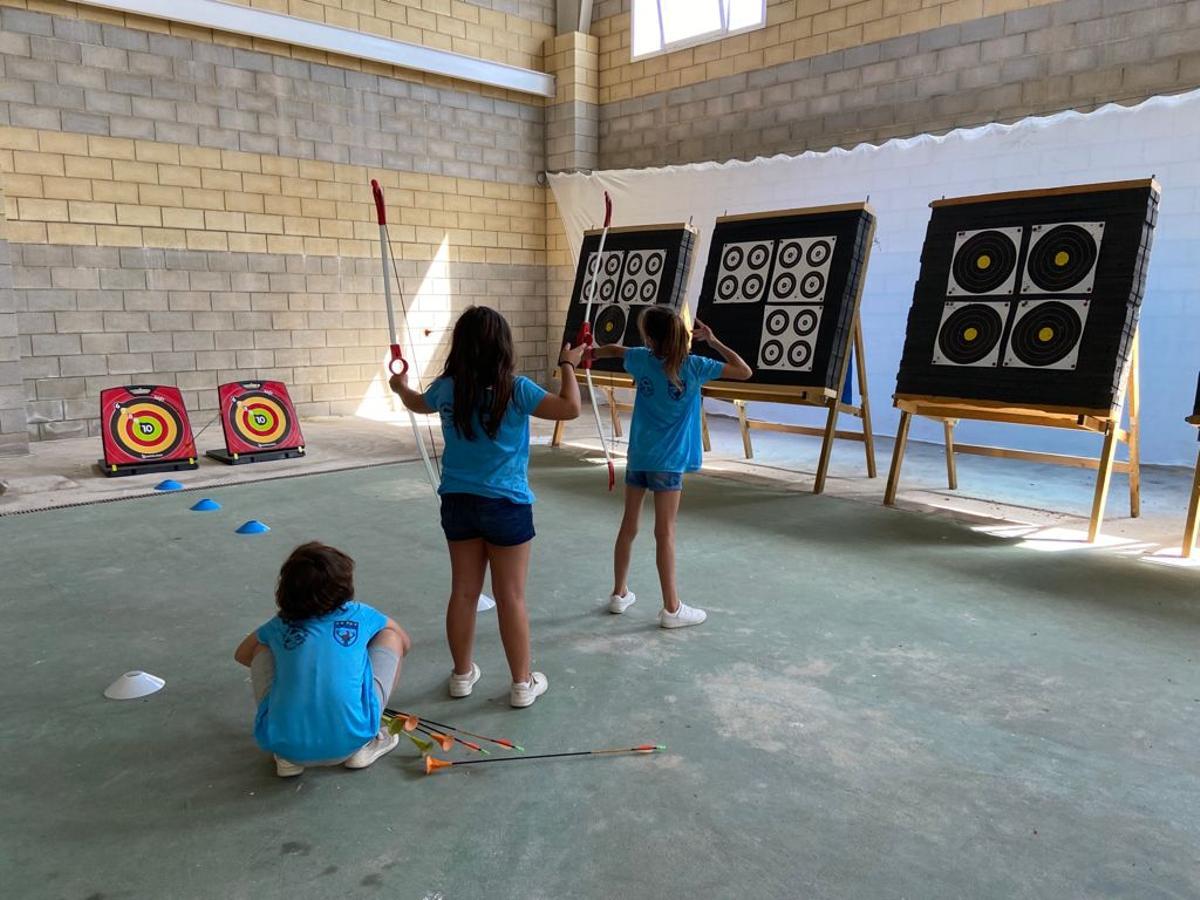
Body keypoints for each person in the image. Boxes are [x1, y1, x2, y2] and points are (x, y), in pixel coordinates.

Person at [390, 305, 583, 708]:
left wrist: (400, 385)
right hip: (507, 505)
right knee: (510, 596)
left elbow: (416, 403)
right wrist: (568, 364)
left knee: (463, 592)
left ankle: (462, 675)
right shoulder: (517, 388)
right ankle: (521, 684)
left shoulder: (448, 387)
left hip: (458, 502)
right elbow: (571, 408)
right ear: (503, 346)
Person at [592, 308, 752, 627]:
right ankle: (672, 608)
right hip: (668, 463)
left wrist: (585, 353)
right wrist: (714, 341)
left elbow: (611, 350)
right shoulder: (695, 366)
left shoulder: (640, 358)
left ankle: (618, 593)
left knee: (629, 524)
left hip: (640, 457)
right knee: (664, 533)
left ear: (650, 338)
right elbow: (743, 371)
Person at [234, 542, 411, 777]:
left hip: (284, 743)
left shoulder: (280, 625)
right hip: (352, 738)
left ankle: (287, 757)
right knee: (391, 637)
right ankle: (367, 743)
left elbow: (242, 655)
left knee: (261, 648)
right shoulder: (359, 613)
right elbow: (404, 643)